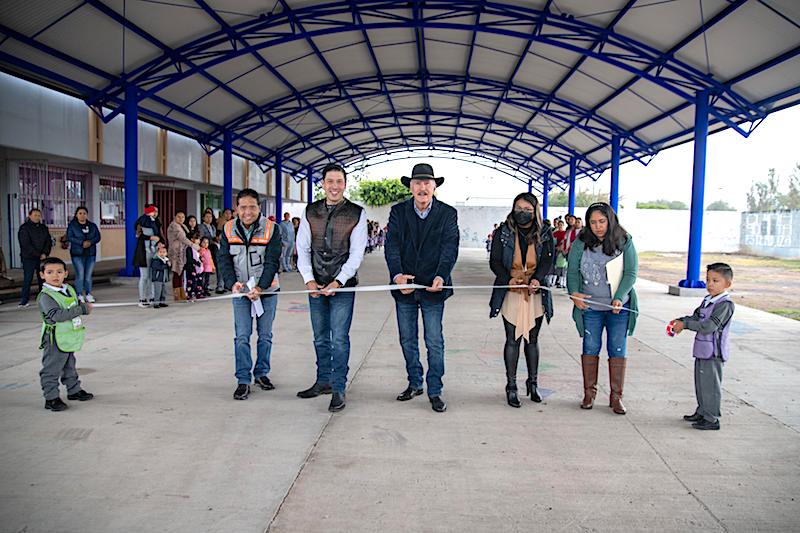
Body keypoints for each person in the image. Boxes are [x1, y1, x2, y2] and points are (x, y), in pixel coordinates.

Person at [385, 163, 459, 413]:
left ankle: (435, 389)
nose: (422, 187)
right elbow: (391, 245)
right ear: (410, 187)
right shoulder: (398, 212)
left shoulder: (447, 214)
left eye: (427, 183)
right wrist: (397, 275)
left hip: (433, 289)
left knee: (434, 340)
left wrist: (441, 275)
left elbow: (450, 247)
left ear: (434, 186)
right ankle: (414, 382)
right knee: (407, 339)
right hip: (404, 287)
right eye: (417, 183)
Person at [296, 163, 368, 412]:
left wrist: (339, 281)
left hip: (343, 287)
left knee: (339, 338)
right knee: (319, 337)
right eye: (330, 181)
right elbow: (302, 249)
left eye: (339, 181)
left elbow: (357, 254)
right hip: (315, 285)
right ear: (323, 184)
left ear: (345, 184)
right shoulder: (310, 211)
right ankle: (323, 380)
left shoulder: (357, 213)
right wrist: (309, 280)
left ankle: (338, 387)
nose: (335, 186)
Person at [567, 202, 638, 415]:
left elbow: (630, 272)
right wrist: (574, 293)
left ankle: (616, 397)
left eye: (602, 221)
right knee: (591, 346)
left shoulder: (624, 241)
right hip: (590, 307)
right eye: (593, 222)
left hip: (618, 308)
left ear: (610, 220)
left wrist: (618, 297)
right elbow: (572, 272)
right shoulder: (580, 243)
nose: (598, 226)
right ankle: (589, 393)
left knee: (617, 349)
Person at [489, 193, 555, 407]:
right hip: (511, 291)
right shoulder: (503, 232)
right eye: (518, 207)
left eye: (527, 209)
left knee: (533, 339)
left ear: (534, 211)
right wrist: (507, 279)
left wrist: (537, 279)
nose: (522, 212)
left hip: (535, 292)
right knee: (512, 339)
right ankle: (511, 386)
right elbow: (495, 261)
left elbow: (548, 261)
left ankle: (533, 384)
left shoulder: (545, 232)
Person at [218, 188, 282, 401]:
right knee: (242, 336)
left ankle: (261, 373)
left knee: (265, 335)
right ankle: (243, 380)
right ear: (236, 208)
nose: (248, 212)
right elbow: (224, 260)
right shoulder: (227, 229)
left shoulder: (272, 229)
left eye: (252, 207)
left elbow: (273, 261)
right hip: (241, 292)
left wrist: (261, 287)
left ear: (259, 208)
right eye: (243, 207)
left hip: (267, 290)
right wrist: (231, 284)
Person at [670, 263, 735, 431]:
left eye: (716, 280)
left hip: (714, 352)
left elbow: (708, 326)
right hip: (702, 350)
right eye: (708, 280)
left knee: (711, 386)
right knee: (701, 383)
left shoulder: (724, 304)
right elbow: (696, 317)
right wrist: (680, 320)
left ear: (727, 284)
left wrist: (685, 325)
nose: (710, 284)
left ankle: (712, 418)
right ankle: (702, 411)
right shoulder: (707, 300)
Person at [36, 257, 94, 411]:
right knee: (52, 368)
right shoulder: (46, 296)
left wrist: (82, 306)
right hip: (54, 338)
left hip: (68, 336)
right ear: (42, 275)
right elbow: (57, 315)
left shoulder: (68, 289)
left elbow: (73, 305)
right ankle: (51, 398)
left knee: (69, 365)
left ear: (66, 273)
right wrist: (81, 310)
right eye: (50, 272)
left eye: (59, 272)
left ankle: (74, 391)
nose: (55, 275)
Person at [18, 208, 52, 307]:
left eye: (38, 215)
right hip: (29, 257)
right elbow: (25, 244)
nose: (37, 217)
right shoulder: (24, 228)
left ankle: (43, 299)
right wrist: (38, 254)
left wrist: (45, 253)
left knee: (42, 278)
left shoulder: (43, 227)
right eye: (35, 215)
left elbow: (48, 241)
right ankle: (24, 300)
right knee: (28, 278)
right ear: (30, 216)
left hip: (42, 257)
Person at [66, 206, 101, 303]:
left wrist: (90, 242)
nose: (82, 215)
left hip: (90, 254)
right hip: (77, 254)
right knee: (80, 274)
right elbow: (70, 237)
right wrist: (82, 242)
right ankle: (79, 294)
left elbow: (97, 237)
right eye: (80, 213)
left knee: (88, 275)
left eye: (84, 213)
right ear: (76, 215)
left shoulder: (92, 225)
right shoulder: (72, 225)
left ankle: (88, 293)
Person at [133, 204, 163, 307]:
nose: (155, 213)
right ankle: (142, 299)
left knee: (151, 276)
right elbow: (139, 236)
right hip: (144, 252)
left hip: (154, 251)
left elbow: (159, 235)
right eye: (154, 211)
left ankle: (152, 297)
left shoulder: (156, 222)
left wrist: (159, 243)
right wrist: (151, 238)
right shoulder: (141, 222)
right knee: (144, 276)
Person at [167, 211, 196, 303]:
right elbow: (182, 238)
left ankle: (182, 293)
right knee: (176, 273)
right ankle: (177, 294)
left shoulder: (183, 226)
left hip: (182, 252)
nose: (181, 219)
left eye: (183, 217)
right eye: (179, 217)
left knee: (181, 273)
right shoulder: (174, 226)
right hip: (175, 252)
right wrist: (192, 244)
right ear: (175, 217)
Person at [149, 242, 171, 309]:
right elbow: (159, 267)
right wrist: (167, 265)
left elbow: (167, 269)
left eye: (164, 252)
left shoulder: (166, 260)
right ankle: (156, 303)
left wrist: (169, 265)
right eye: (160, 252)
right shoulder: (156, 260)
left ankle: (162, 302)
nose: (162, 253)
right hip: (158, 278)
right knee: (157, 291)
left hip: (164, 278)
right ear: (157, 253)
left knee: (163, 291)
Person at [184, 231, 204, 301]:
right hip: (191, 268)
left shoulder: (197, 248)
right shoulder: (189, 248)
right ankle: (190, 294)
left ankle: (198, 293)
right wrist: (197, 262)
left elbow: (198, 256)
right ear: (192, 239)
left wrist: (201, 259)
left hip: (197, 268)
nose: (199, 240)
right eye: (197, 239)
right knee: (191, 282)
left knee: (198, 281)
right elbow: (189, 259)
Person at [552, 218, 568, 288]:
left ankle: (562, 281)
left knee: (563, 266)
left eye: (561, 225)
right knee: (556, 265)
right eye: (559, 225)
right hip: (556, 250)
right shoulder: (555, 233)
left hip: (563, 251)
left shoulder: (565, 233)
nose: (560, 226)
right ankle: (555, 280)